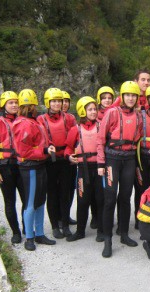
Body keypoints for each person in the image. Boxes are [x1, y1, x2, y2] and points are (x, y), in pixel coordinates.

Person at [97, 81, 143, 258]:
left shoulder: (138, 116)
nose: (131, 98)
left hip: (129, 159)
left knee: (125, 197)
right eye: (128, 95)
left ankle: (124, 234)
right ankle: (107, 239)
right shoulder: (112, 113)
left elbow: (138, 139)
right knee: (110, 198)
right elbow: (100, 139)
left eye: (134, 95)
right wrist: (101, 163)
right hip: (112, 159)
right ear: (122, 97)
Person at [13, 89, 56, 251]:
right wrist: (44, 151)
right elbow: (25, 151)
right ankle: (29, 237)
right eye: (33, 106)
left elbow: (40, 141)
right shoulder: (23, 124)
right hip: (30, 167)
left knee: (40, 201)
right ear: (30, 106)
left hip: (39, 166)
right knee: (31, 203)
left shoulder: (33, 122)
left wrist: (47, 146)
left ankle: (39, 234)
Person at [0, 91, 25, 244]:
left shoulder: (23, 121)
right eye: (10, 103)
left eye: (16, 102)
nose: (14, 105)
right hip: (5, 167)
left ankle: (26, 227)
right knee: (10, 201)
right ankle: (16, 232)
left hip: (22, 165)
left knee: (26, 200)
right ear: (3, 105)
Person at [37, 88, 76, 239]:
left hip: (65, 160)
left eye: (59, 101)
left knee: (65, 193)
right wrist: (47, 148)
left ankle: (65, 225)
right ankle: (55, 226)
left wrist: (69, 153)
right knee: (52, 194)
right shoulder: (41, 119)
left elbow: (73, 137)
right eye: (53, 101)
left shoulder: (69, 118)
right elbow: (41, 139)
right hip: (50, 160)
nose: (57, 104)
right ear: (48, 102)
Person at [65, 96, 104, 243]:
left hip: (99, 167)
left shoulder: (101, 126)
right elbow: (68, 148)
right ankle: (80, 231)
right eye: (90, 109)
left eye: (95, 109)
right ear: (83, 111)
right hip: (83, 168)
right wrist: (69, 156)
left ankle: (101, 230)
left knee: (100, 199)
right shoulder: (76, 129)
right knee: (82, 201)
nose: (94, 112)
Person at [89, 86, 115, 232]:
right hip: (94, 156)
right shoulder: (94, 114)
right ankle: (95, 216)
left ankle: (106, 218)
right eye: (104, 97)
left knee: (105, 191)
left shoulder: (115, 113)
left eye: (109, 98)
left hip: (108, 156)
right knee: (95, 192)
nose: (107, 100)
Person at [61, 90, 77, 225]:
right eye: (62, 101)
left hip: (70, 157)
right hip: (56, 158)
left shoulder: (71, 118)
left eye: (66, 101)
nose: (64, 104)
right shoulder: (47, 119)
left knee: (71, 188)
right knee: (59, 190)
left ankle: (66, 215)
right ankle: (59, 217)